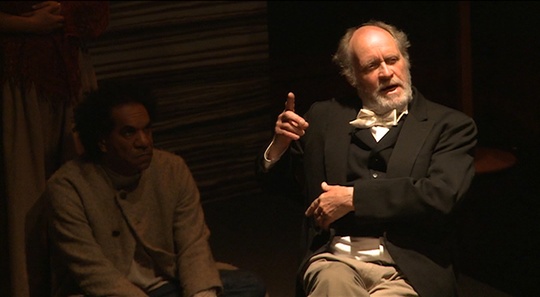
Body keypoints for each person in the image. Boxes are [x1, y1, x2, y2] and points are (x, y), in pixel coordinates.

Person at [256, 20, 477, 297]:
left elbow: (442, 195)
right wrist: (279, 144)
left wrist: (354, 198)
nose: (386, 73)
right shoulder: (324, 118)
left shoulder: (449, 124)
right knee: (331, 285)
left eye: (392, 60)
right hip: (336, 259)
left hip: (408, 268)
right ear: (352, 76)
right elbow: (279, 186)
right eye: (372, 66)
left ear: (406, 61)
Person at [44, 82, 267, 297]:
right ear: (102, 142)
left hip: (168, 283)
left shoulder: (172, 169)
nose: (144, 141)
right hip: (107, 292)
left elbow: (193, 243)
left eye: (147, 130)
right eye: (129, 133)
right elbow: (92, 271)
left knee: (247, 286)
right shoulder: (68, 186)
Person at [0, 2, 109, 296]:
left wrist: (64, 10)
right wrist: (26, 25)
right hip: (16, 77)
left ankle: (88, 279)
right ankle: (26, 285)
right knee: (24, 185)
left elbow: (97, 13)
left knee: (80, 179)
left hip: (69, 67)